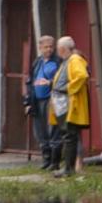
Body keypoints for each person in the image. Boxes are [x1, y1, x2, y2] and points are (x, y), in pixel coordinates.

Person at [51, 36, 91, 178]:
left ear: (62, 49)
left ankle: (68, 168)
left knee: (69, 136)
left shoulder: (74, 60)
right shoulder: (67, 61)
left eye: (58, 48)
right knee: (67, 136)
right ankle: (68, 167)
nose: (57, 51)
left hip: (69, 104)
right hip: (63, 103)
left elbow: (81, 76)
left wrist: (67, 88)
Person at [26, 35, 63, 171]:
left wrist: (50, 82)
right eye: (46, 47)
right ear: (40, 47)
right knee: (39, 131)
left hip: (51, 99)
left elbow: (63, 79)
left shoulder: (58, 62)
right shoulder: (37, 62)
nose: (49, 50)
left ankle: (55, 161)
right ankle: (46, 158)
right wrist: (28, 102)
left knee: (53, 129)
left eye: (51, 47)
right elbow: (29, 81)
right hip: (37, 100)